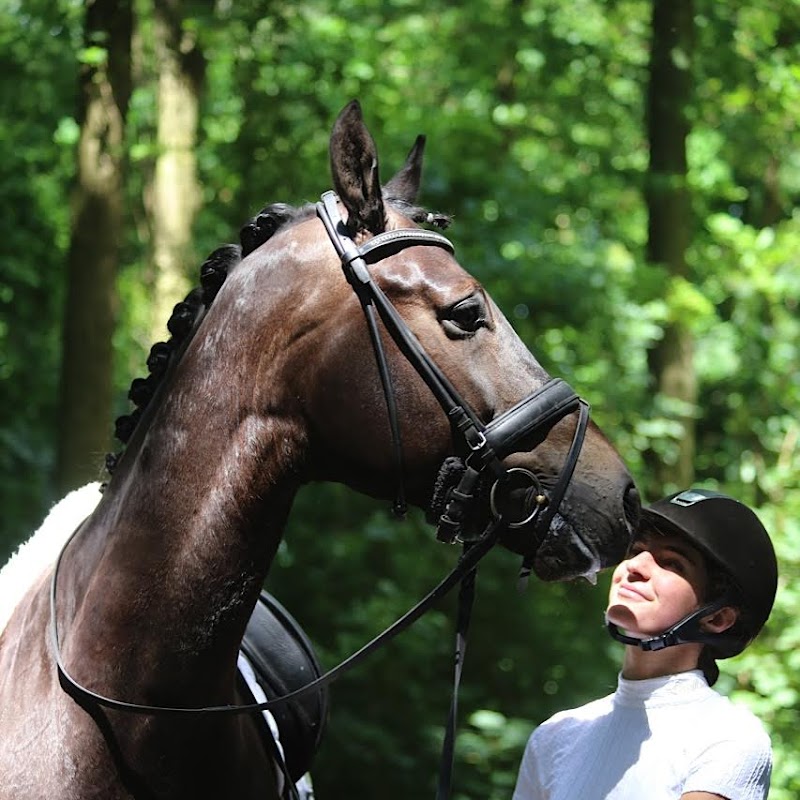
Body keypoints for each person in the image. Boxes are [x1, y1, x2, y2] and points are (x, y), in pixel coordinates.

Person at [512, 487, 778, 800]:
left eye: (672, 563)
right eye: (636, 549)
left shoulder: (730, 737)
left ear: (717, 619)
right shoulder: (555, 736)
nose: (634, 566)